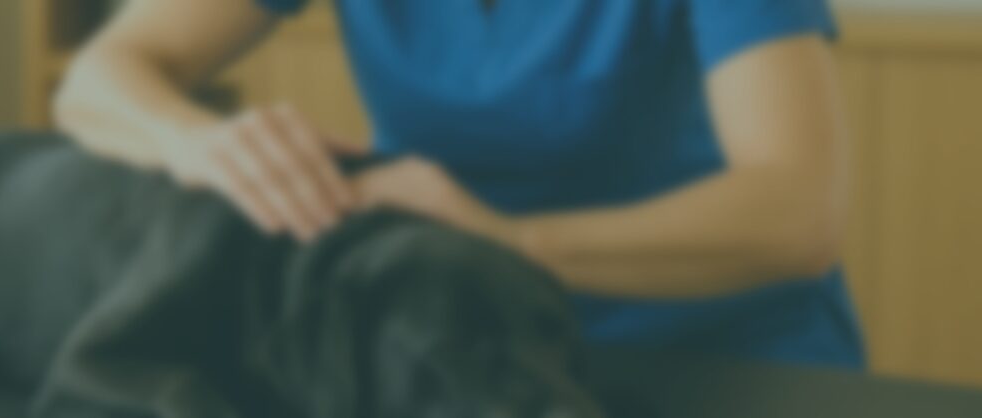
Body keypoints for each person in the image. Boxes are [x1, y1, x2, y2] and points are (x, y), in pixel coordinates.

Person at [54, 0, 863, 368]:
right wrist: (198, 143)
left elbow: (799, 213)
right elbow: (98, 80)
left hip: (714, 348)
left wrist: (511, 241)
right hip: (462, 341)